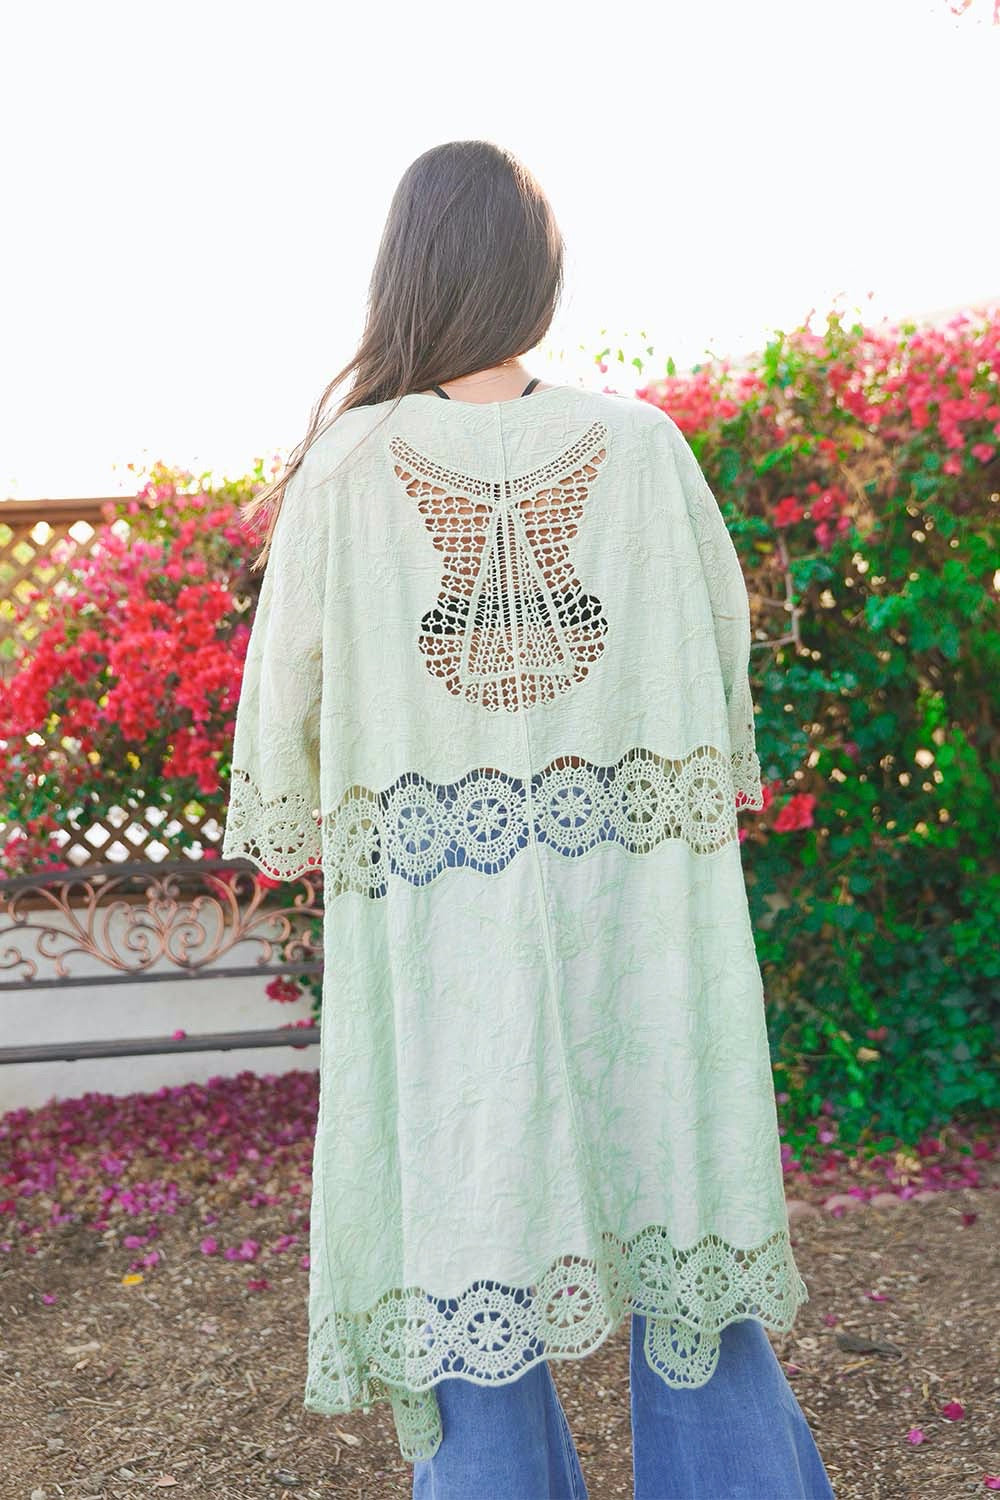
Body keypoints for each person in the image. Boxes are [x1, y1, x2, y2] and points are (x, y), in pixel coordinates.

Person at [221, 138, 836, 1499]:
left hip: (441, 940)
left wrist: (321, 811)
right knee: (680, 1208)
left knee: (463, 1239)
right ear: (536, 275)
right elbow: (717, 654)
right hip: (640, 916)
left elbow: (284, 712)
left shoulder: (347, 469)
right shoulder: (643, 449)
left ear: (407, 272)